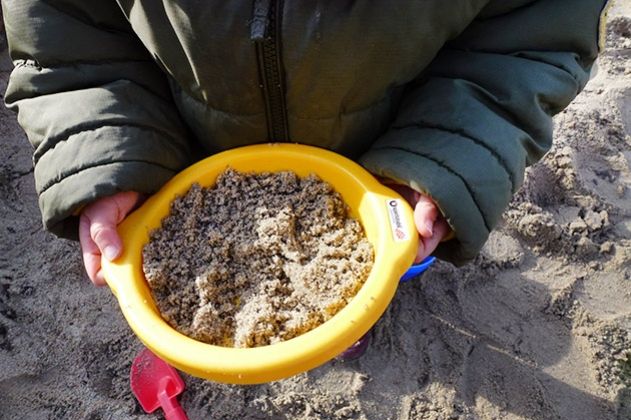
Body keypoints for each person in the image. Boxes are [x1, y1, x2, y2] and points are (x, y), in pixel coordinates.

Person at [2, 1, 609, 288]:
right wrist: (111, 152)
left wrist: (445, 155)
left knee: (370, 281)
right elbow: (70, 39)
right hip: (196, 162)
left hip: (381, 157)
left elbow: (530, 39)